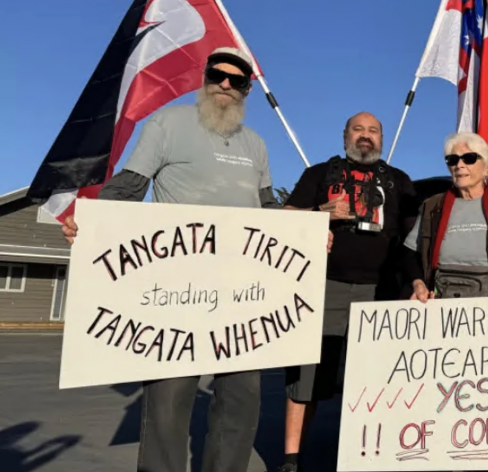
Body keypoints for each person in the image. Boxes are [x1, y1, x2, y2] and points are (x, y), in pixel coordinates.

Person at [60, 47, 317, 472]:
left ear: (247, 90)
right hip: (176, 291)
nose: (226, 85)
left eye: (237, 81)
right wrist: (91, 224)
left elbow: (269, 210)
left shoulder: (256, 144)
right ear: (205, 77)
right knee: (168, 402)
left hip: (242, 293)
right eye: (218, 75)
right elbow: (129, 187)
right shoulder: (168, 123)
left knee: (241, 401)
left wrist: (307, 235)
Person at [273, 111, 419, 472]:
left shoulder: (400, 181)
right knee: (306, 376)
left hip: (380, 291)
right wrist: (320, 212)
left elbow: (414, 239)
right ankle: (291, 458)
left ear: (382, 139)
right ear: (345, 136)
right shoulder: (319, 174)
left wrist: (415, 281)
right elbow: (283, 219)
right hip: (324, 287)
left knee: (377, 378)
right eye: (358, 129)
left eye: (373, 131)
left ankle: (371, 454)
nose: (365, 136)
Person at [403, 132, 488, 301]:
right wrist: (418, 284)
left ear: (486, 166)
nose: (459, 165)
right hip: (440, 300)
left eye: (469, 158)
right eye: (452, 160)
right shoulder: (432, 206)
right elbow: (410, 255)